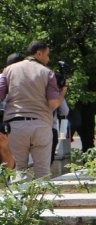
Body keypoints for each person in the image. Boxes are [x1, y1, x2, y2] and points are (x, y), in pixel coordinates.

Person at [0, 40, 67, 178]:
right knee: (42, 172)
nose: (48, 59)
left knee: (18, 170)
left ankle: (20, 199)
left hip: (15, 125)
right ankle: (41, 199)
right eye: (47, 55)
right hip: (41, 126)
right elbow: (53, 103)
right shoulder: (47, 73)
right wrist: (63, 92)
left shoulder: (9, 70)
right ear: (39, 53)